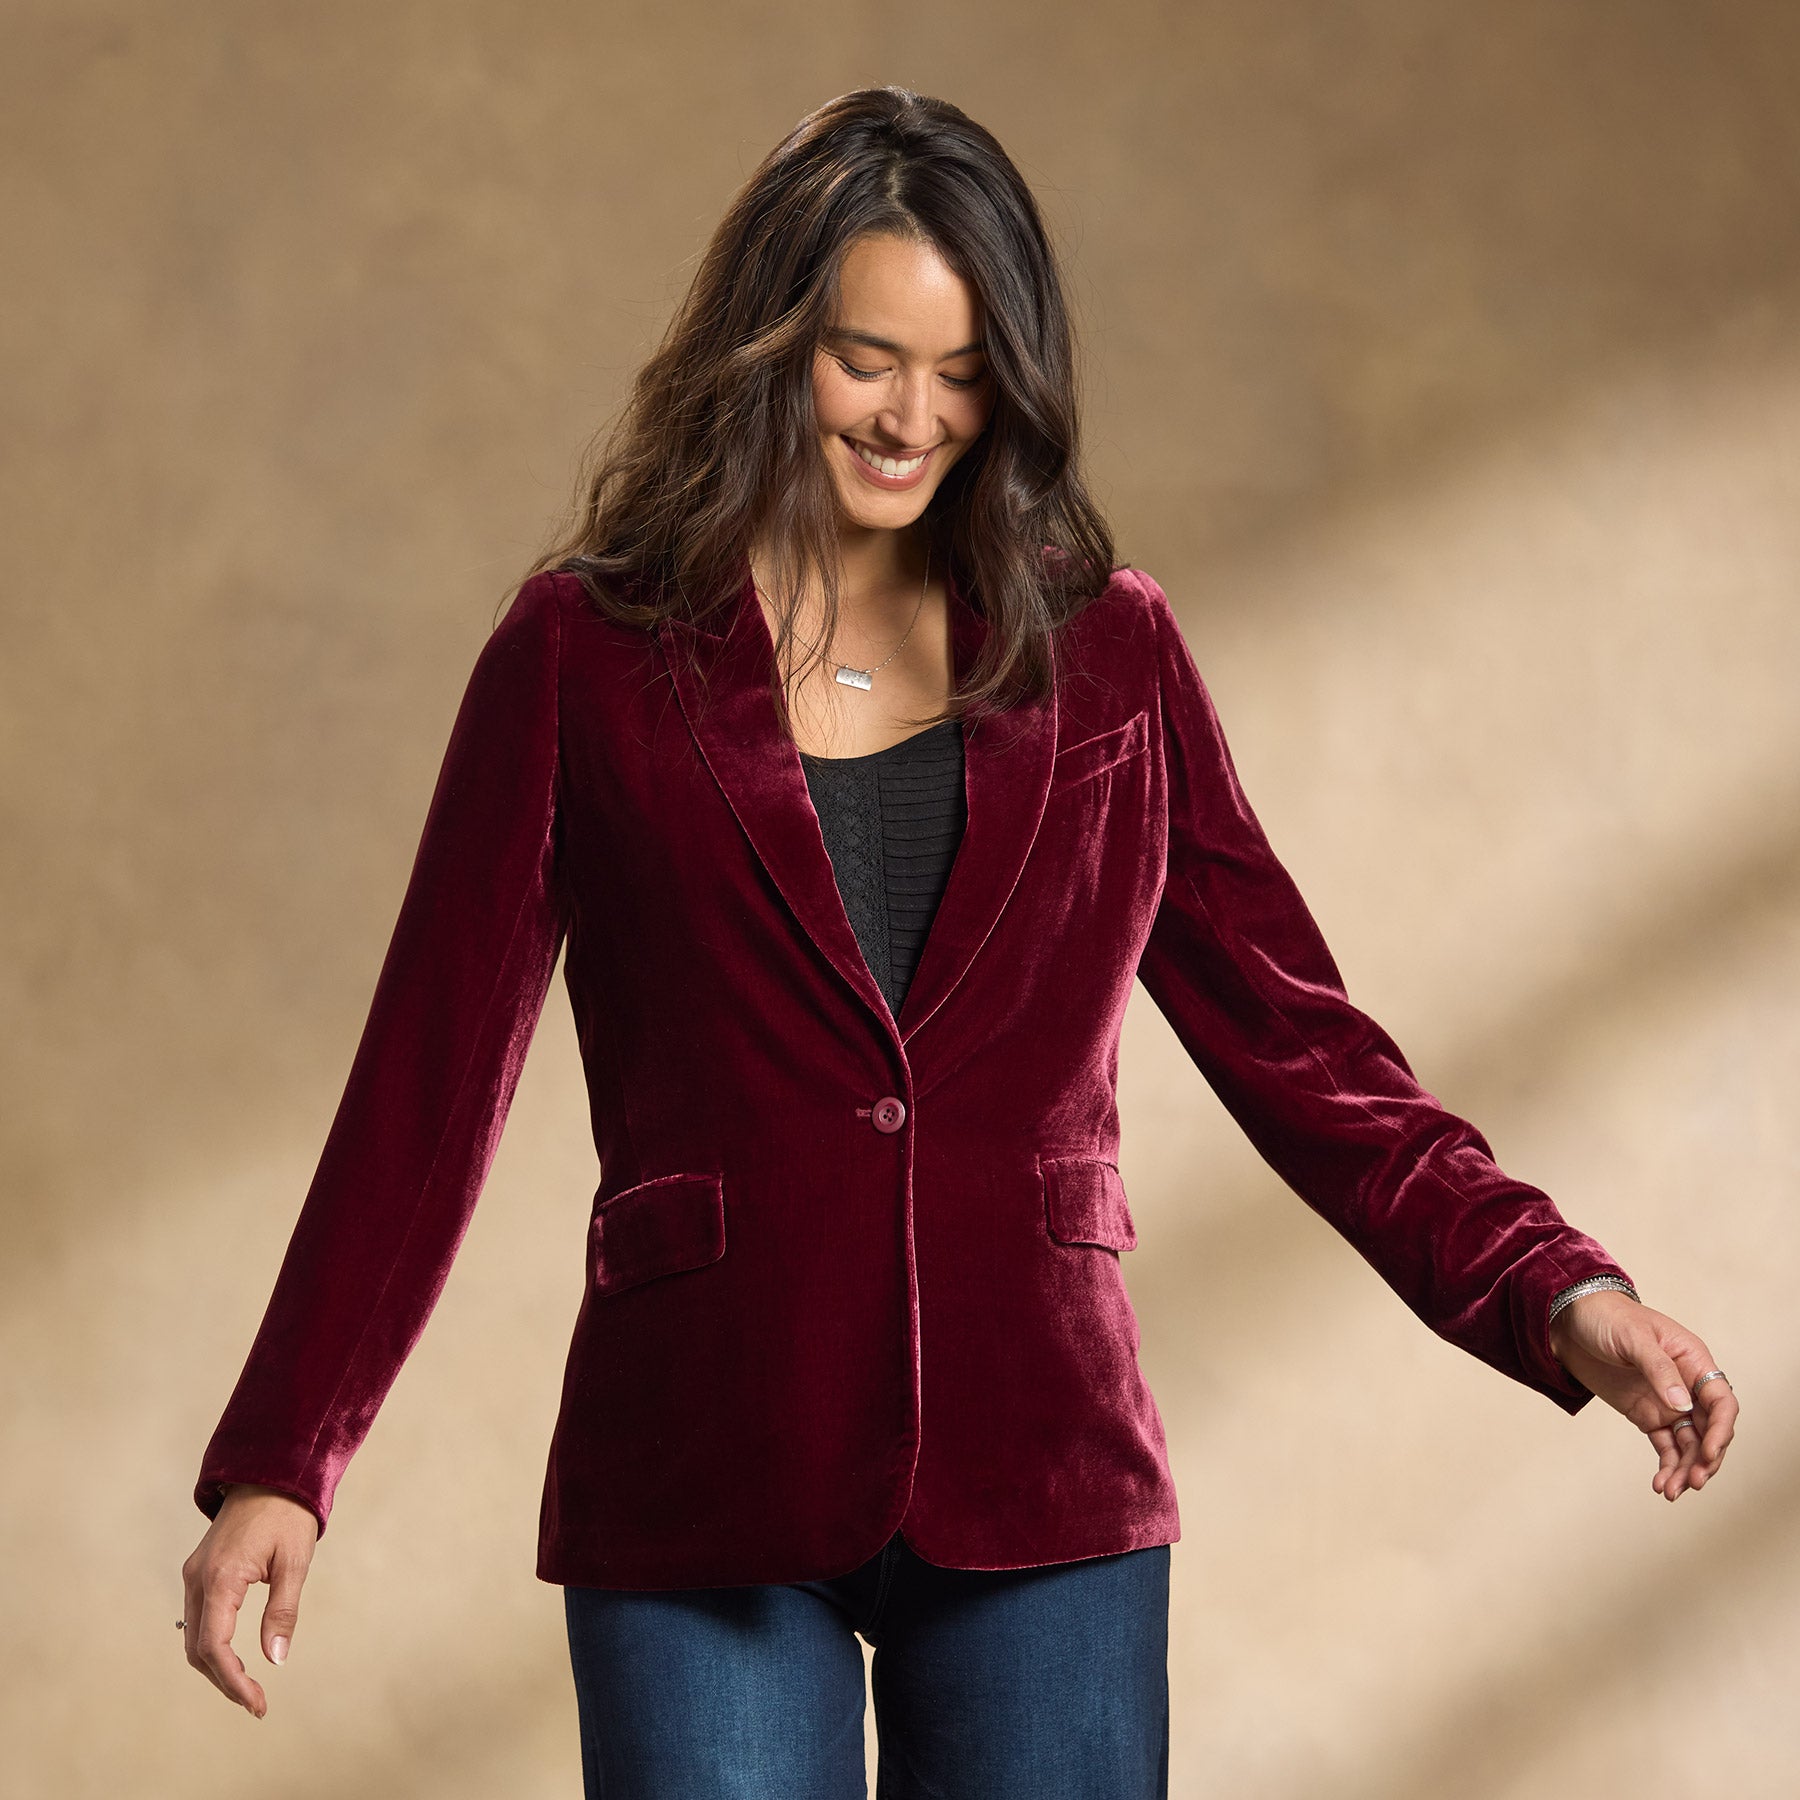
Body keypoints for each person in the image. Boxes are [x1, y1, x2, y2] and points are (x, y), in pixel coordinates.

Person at [180, 86, 1739, 1798]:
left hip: (1042, 1468)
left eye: (965, 371)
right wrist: (285, 1457)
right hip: (703, 1462)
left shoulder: (1112, 656)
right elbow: (424, 1090)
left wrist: (1559, 1293)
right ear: (772, 344)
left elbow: (1309, 1054)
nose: (914, 417)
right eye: (867, 360)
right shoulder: (583, 655)